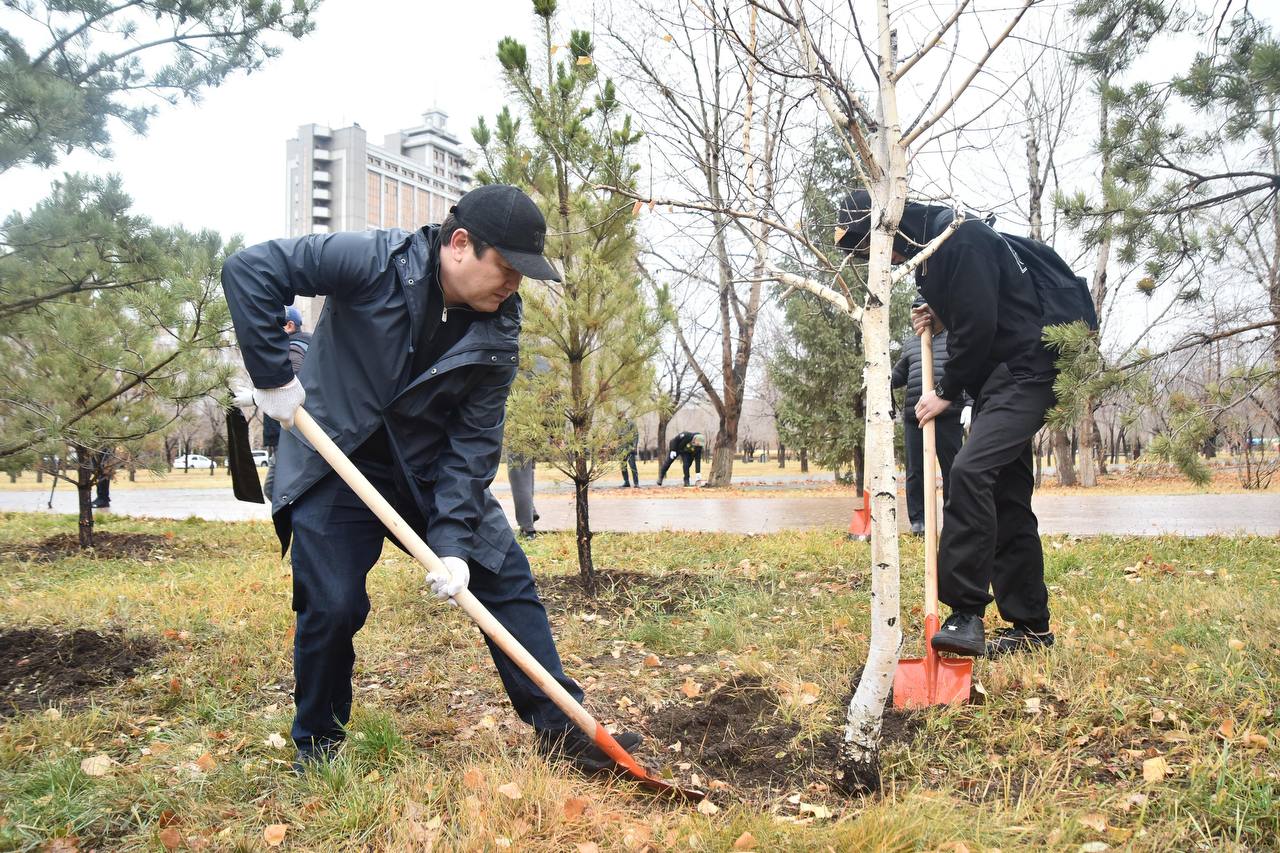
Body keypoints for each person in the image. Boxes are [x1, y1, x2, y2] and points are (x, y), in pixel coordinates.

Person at [222, 183, 640, 773]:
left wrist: (452, 546)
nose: (515, 285)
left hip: (426, 471)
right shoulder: (375, 260)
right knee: (332, 603)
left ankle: (564, 731)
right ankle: (318, 746)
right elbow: (251, 269)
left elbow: (473, 444)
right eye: (508, 268)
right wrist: (272, 377)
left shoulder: (500, 330)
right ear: (460, 244)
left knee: (503, 574)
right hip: (335, 460)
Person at [838, 190, 1058, 658]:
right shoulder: (936, 252)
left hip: (1027, 373)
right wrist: (938, 316)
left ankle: (964, 613)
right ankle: (1031, 627)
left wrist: (945, 392)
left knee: (970, 472)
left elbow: (979, 324)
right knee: (1005, 495)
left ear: (890, 229)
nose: (883, 259)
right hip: (1002, 381)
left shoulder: (959, 240)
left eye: (874, 248)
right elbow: (982, 307)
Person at [891, 300, 968, 536]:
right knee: (915, 472)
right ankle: (919, 522)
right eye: (916, 311)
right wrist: (878, 374)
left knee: (952, 470)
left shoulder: (953, 339)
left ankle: (953, 521)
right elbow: (898, 375)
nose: (922, 315)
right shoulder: (912, 344)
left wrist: (969, 404)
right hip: (916, 418)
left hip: (948, 415)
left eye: (926, 309)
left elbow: (966, 372)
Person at [261, 306, 311, 501]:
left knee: (276, 490)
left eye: (273, 326)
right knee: (279, 491)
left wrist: (255, 397)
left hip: (291, 433)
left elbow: (292, 384)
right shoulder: (302, 345)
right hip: (292, 433)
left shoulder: (292, 348)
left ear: (289, 325)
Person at [506, 453, 539, 537]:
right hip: (529, 442)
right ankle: (530, 513)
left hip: (518, 443)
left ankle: (528, 529)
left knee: (518, 477)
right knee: (525, 475)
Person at [619, 419, 640, 488]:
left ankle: (636, 483)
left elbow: (636, 435)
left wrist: (634, 446)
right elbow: (615, 436)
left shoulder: (631, 423)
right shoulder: (617, 424)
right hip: (621, 448)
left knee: (632, 466)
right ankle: (626, 482)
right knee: (623, 466)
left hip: (630, 448)